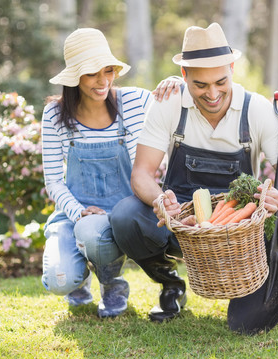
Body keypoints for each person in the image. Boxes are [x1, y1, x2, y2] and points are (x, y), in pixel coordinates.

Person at [110, 23, 278, 322]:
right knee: (125, 216)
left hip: (242, 226)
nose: (212, 94)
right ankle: (170, 284)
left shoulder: (257, 110)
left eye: (221, 81)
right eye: (200, 85)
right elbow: (141, 174)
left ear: (232, 68)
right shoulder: (169, 105)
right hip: (184, 223)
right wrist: (161, 199)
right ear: (184, 76)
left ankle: (255, 280)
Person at [40, 28, 178, 318]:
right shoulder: (54, 115)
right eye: (92, 74)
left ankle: (112, 283)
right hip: (76, 213)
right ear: (74, 77)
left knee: (94, 234)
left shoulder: (135, 102)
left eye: (108, 71)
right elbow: (53, 181)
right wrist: (78, 213)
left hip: (120, 212)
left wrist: (178, 83)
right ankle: (80, 274)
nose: (103, 81)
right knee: (58, 279)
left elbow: (180, 110)